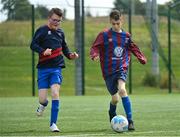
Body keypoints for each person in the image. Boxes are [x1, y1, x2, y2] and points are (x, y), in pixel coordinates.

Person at [90, 9, 147, 131]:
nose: (116, 26)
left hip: (122, 67)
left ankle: (130, 121)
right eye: (113, 24)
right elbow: (95, 47)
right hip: (108, 71)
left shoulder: (126, 36)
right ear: (110, 22)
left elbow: (133, 48)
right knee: (115, 99)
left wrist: (140, 56)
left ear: (122, 21)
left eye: (118, 23)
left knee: (122, 90)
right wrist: (94, 54)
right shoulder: (104, 35)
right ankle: (111, 113)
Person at [30, 8, 79, 132]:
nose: (56, 23)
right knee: (42, 98)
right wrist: (42, 51)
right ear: (49, 18)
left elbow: (65, 49)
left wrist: (70, 56)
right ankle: (43, 104)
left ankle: (53, 124)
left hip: (56, 68)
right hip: (43, 69)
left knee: (55, 93)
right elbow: (33, 45)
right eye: (54, 20)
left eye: (59, 21)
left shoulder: (61, 33)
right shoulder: (41, 31)